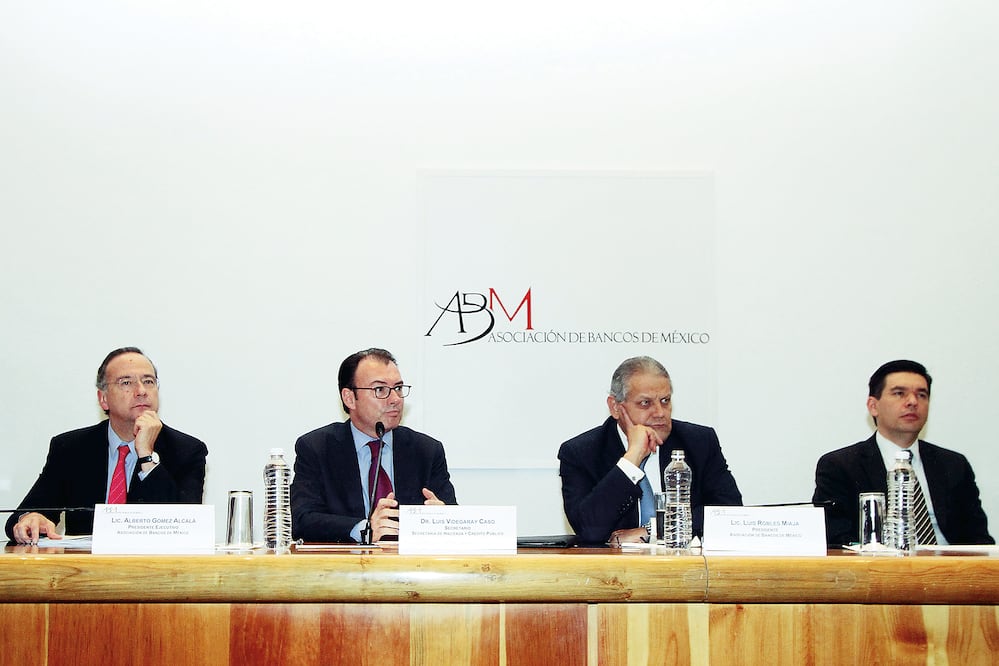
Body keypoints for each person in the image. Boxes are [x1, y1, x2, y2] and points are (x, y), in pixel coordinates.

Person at [5, 347, 209, 544]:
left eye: (148, 381)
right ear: (103, 399)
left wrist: (146, 456)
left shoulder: (187, 451)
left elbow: (187, 529)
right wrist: (30, 519)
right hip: (86, 575)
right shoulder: (71, 449)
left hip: (155, 573)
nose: (141, 391)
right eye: (126, 382)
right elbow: (20, 518)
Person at [558, 356, 743, 544]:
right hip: (613, 571)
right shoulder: (580, 453)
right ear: (615, 407)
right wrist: (632, 459)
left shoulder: (699, 442)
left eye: (665, 400)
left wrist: (653, 530)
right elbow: (588, 530)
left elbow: (728, 512)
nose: (660, 412)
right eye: (645, 403)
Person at [813, 359, 993, 547]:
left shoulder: (954, 464)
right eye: (899, 393)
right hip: (882, 571)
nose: (913, 402)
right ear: (873, 406)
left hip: (950, 571)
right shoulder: (840, 465)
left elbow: (979, 540)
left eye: (921, 395)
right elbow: (836, 541)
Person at [291, 348, 457, 543]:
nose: (395, 399)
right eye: (380, 390)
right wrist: (364, 529)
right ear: (349, 398)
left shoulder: (427, 451)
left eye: (398, 388)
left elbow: (452, 516)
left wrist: (445, 521)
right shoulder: (316, 448)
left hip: (409, 568)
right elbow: (303, 520)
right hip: (344, 569)